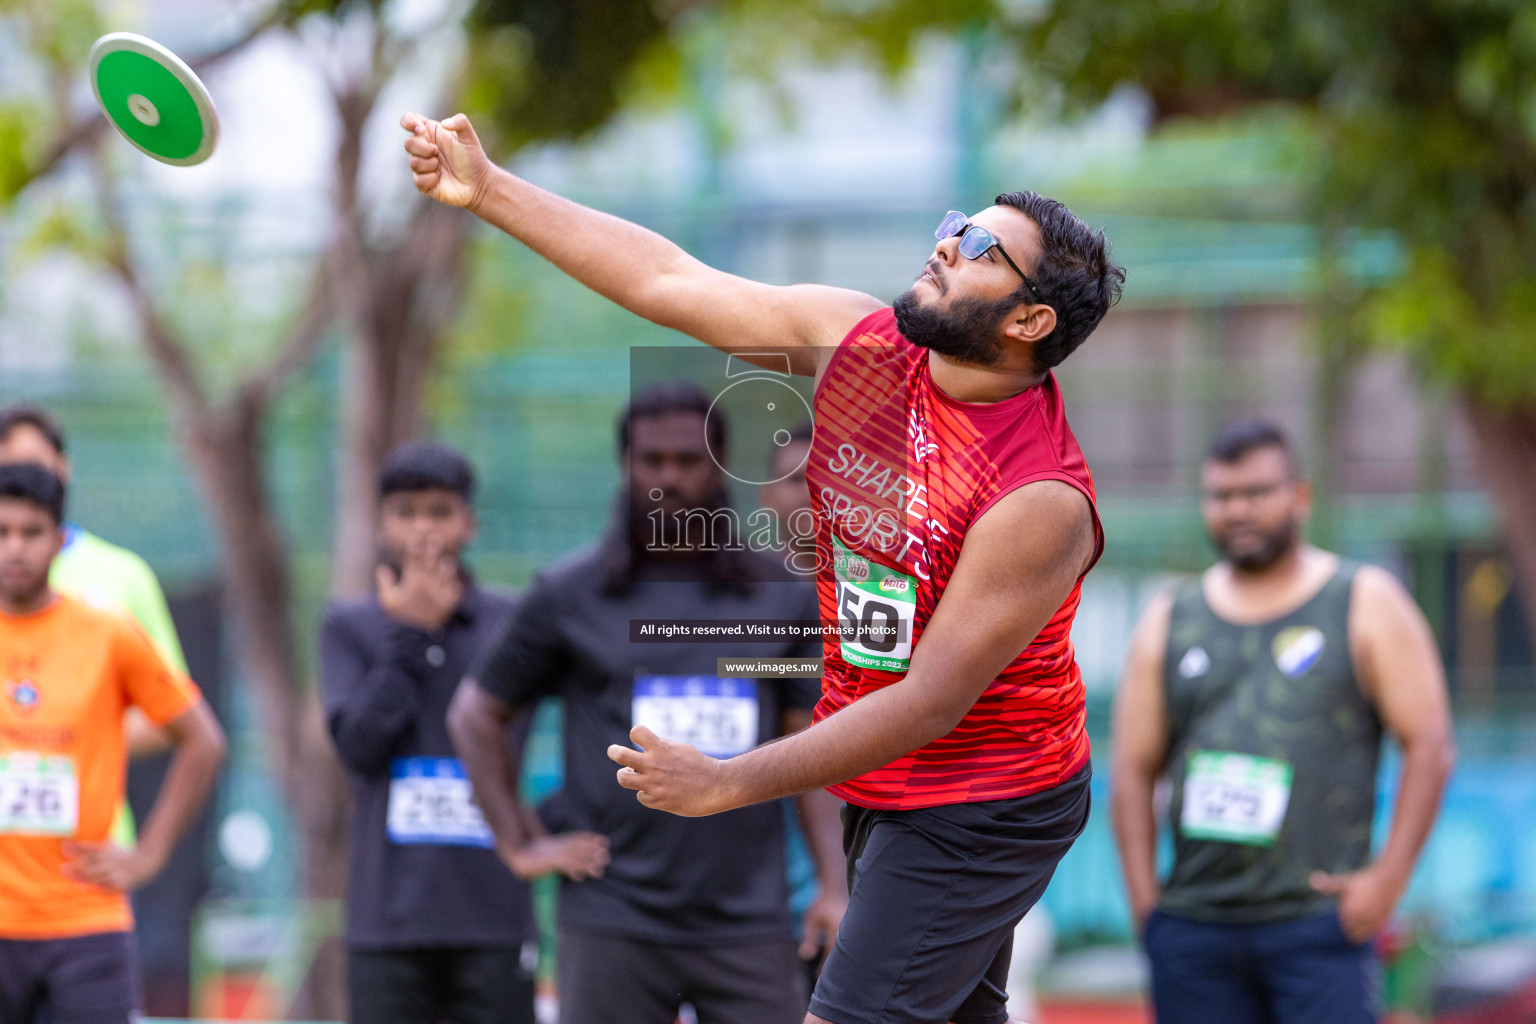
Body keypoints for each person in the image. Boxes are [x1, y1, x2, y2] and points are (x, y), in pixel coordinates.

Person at [404, 108, 1123, 1024]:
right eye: (955, 225)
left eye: (981, 246)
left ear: (1028, 318)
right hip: (892, 776)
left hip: (982, 798)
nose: (946, 246)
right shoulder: (864, 346)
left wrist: (727, 782)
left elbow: (929, 701)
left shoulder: (1040, 502)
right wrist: (491, 189)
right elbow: (669, 279)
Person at [449, 385, 847, 1024]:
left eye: (689, 461)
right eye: (651, 460)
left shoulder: (780, 596)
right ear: (625, 467)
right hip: (611, 916)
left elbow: (809, 743)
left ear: (718, 468)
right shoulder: (568, 594)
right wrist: (519, 843)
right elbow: (475, 713)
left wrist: (833, 884)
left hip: (748, 921)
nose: (670, 477)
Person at [1111, 420, 1456, 1024]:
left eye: (1256, 493)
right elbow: (1132, 770)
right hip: (1196, 929)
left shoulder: (1364, 600)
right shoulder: (1171, 617)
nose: (1237, 510)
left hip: (1318, 921)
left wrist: (1389, 878)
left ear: (1300, 497)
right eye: (1221, 496)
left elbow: (1429, 744)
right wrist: (1149, 907)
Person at [319, 441, 606, 1024]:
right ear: (380, 524)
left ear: (468, 523)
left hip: (494, 918)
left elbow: (595, 711)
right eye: (406, 513)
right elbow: (357, 749)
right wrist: (408, 636)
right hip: (387, 925)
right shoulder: (350, 626)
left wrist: (549, 821)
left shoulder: (510, 622)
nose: (423, 530)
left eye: (440, 512)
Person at [0, 463, 226, 1023]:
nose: (15, 548)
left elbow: (203, 741)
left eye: (31, 532)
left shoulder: (107, 633)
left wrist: (147, 855)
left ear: (59, 539)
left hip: (85, 924)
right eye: (1, 532)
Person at [0, 404, 189, 766]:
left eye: (32, 463)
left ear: (63, 467)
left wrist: (63, 737)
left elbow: (173, 710)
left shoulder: (122, 577)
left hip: (96, 820)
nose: (20, 478)